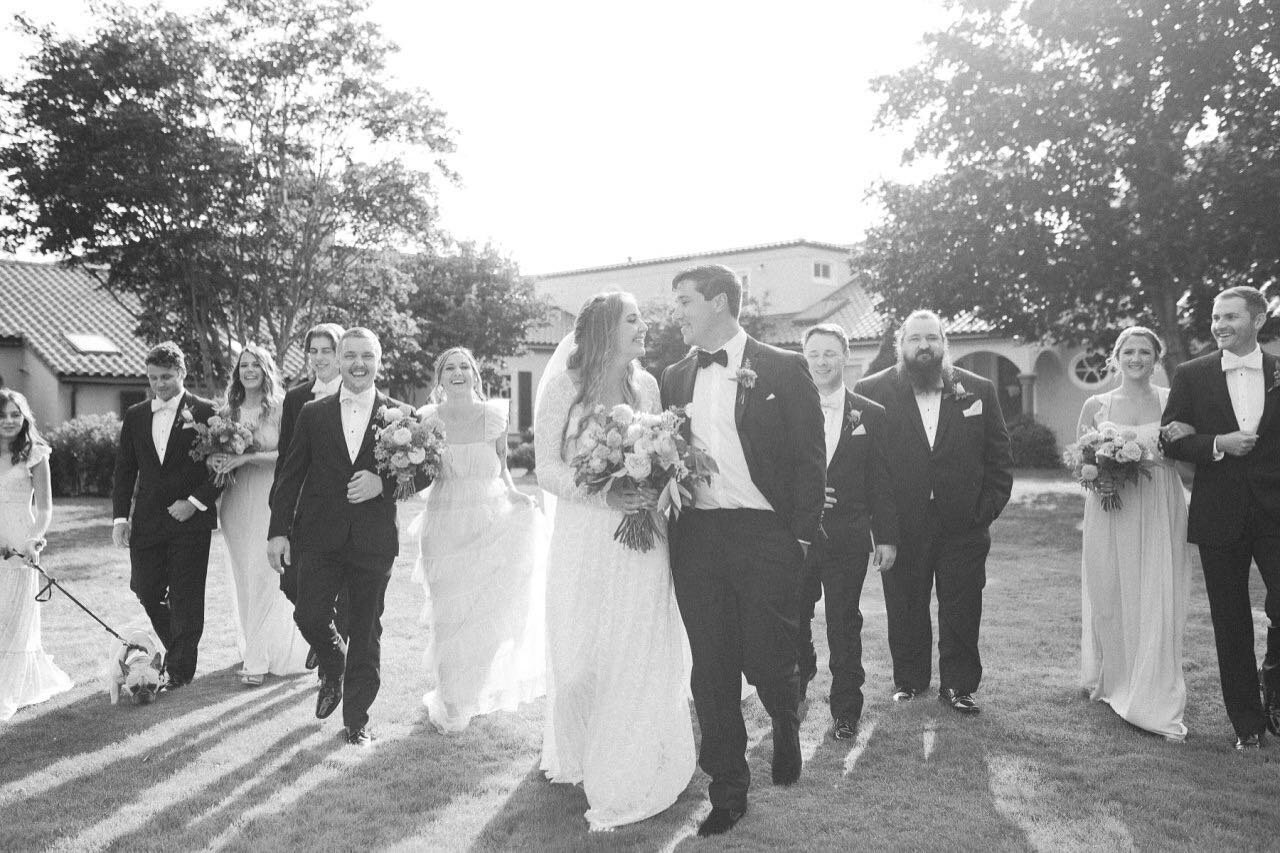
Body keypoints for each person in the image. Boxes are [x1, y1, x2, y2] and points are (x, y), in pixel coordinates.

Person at [659, 266, 825, 838]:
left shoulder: (783, 367)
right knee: (712, 668)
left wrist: (799, 537)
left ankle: (784, 716)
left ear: (719, 302)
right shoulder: (674, 376)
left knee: (768, 654)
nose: (675, 311)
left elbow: (810, 458)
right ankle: (728, 788)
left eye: (684, 301)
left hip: (766, 536)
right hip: (699, 539)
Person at [536, 292, 694, 831]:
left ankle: (630, 761)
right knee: (577, 662)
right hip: (583, 538)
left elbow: (662, 449)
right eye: (633, 319)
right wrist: (602, 495)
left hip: (644, 539)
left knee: (635, 650)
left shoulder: (646, 385)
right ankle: (579, 749)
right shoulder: (563, 387)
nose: (644, 326)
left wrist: (653, 479)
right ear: (605, 329)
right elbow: (545, 470)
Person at [268, 328, 430, 746]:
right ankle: (332, 660)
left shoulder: (402, 415)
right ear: (339, 361)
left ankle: (357, 720)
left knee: (366, 628)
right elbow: (290, 475)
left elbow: (428, 470)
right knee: (308, 613)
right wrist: (277, 532)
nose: (359, 364)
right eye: (351, 355)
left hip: (372, 540)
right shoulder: (313, 413)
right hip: (319, 536)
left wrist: (384, 485)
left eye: (367, 356)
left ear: (379, 362)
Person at [855, 310, 1012, 715]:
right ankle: (909, 681)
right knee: (905, 605)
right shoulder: (872, 390)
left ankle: (959, 686)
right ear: (900, 345)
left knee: (962, 606)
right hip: (902, 526)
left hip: (964, 525)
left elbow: (999, 459)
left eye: (931, 338)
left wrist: (983, 512)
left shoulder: (978, 390)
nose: (923, 346)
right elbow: (870, 470)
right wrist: (883, 531)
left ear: (944, 342)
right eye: (914, 339)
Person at [1162, 286, 1280, 750]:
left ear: (1257, 320)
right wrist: (1217, 444)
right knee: (1229, 620)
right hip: (1219, 515)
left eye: (1230, 316)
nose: (1219, 325)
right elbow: (1169, 440)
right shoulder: (1191, 375)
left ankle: (1274, 687)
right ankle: (1246, 725)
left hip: (1276, 513)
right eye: (1215, 317)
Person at [410, 346, 545, 733]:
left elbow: (502, 469)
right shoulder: (428, 420)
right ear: (439, 379)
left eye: (464, 366)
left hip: (489, 521)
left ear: (475, 374)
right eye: (449, 367)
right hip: (443, 525)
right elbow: (420, 472)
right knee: (449, 612)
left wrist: (517, 495)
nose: (457, 372)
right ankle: (451, 697)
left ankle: (471, 688)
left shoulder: (494, 417)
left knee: (484, 611)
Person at [1077, 327, 1192, 740]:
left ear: (1156, 358)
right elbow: (1080, 465)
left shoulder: (1171, 401)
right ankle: (1114, 679)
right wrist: (1100, 474)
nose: (1137, 358)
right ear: (1116, 356)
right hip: (1111, 509)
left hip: (1160, 504)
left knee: (1156, 591)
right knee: (1111, 592)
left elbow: (1187, 466)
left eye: (1145, 351)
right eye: (1129, 351)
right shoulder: (1097, 403)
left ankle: (1153, 691)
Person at [797, 324, 898, 741]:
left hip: (849, 538)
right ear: (805, 358)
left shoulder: (870, 414)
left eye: (829, 354)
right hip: (798, 537)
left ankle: (845, 711)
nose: (821, 362)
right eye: (814, 354)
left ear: (845, 356)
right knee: (795, 619)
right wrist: (806, 493)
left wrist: (887, 536)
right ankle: (795, 689)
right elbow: (771, 470)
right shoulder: (787, 409)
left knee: (844, 623)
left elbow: (882, 481)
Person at [111, 342, 221, 690]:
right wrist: (119, 519)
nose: (159, 384)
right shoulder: (136, 415)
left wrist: (194, 502)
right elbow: (125, 469)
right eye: (153, 377)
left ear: (182, 373)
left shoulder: (206, 412)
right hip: (147, 520)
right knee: (145, 588)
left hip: (191, 520)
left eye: (166, 377)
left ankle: (180, 671)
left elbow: (222, 470)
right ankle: (177, 651)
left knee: (187, 595)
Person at [212, 344, 309, 687]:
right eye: (243, 365)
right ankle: (254, 645)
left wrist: (246, 458)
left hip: (271, 495)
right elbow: (216, 452)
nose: (249, 370)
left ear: (266, 369)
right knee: (244, 576)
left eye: (256, 364)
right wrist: (219, 460)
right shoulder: (227, 411)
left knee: (266, 574)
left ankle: (259, 658)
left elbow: (292, 454)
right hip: (236, 501)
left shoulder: (282, 408)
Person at [273, 322, 349, 671]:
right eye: (313, 351)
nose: (319, 358)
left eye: (326, 351)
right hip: (303, 508)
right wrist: (279, 512)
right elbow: (287, 459)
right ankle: (324, 633)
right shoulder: (296, 397)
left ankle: (327, 643)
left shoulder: (354, 393)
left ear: (340, 354)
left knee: (340, 586)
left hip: (343, 509)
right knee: (291, 584)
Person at [0, 389, 73, 720]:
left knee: (15, 617)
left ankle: (9, 684)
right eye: (3, 415)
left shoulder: (34, 454)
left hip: (20, 537)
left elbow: (44, 507)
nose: (9, 421)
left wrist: (33, 540)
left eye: (16, 414)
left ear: (24, 416)